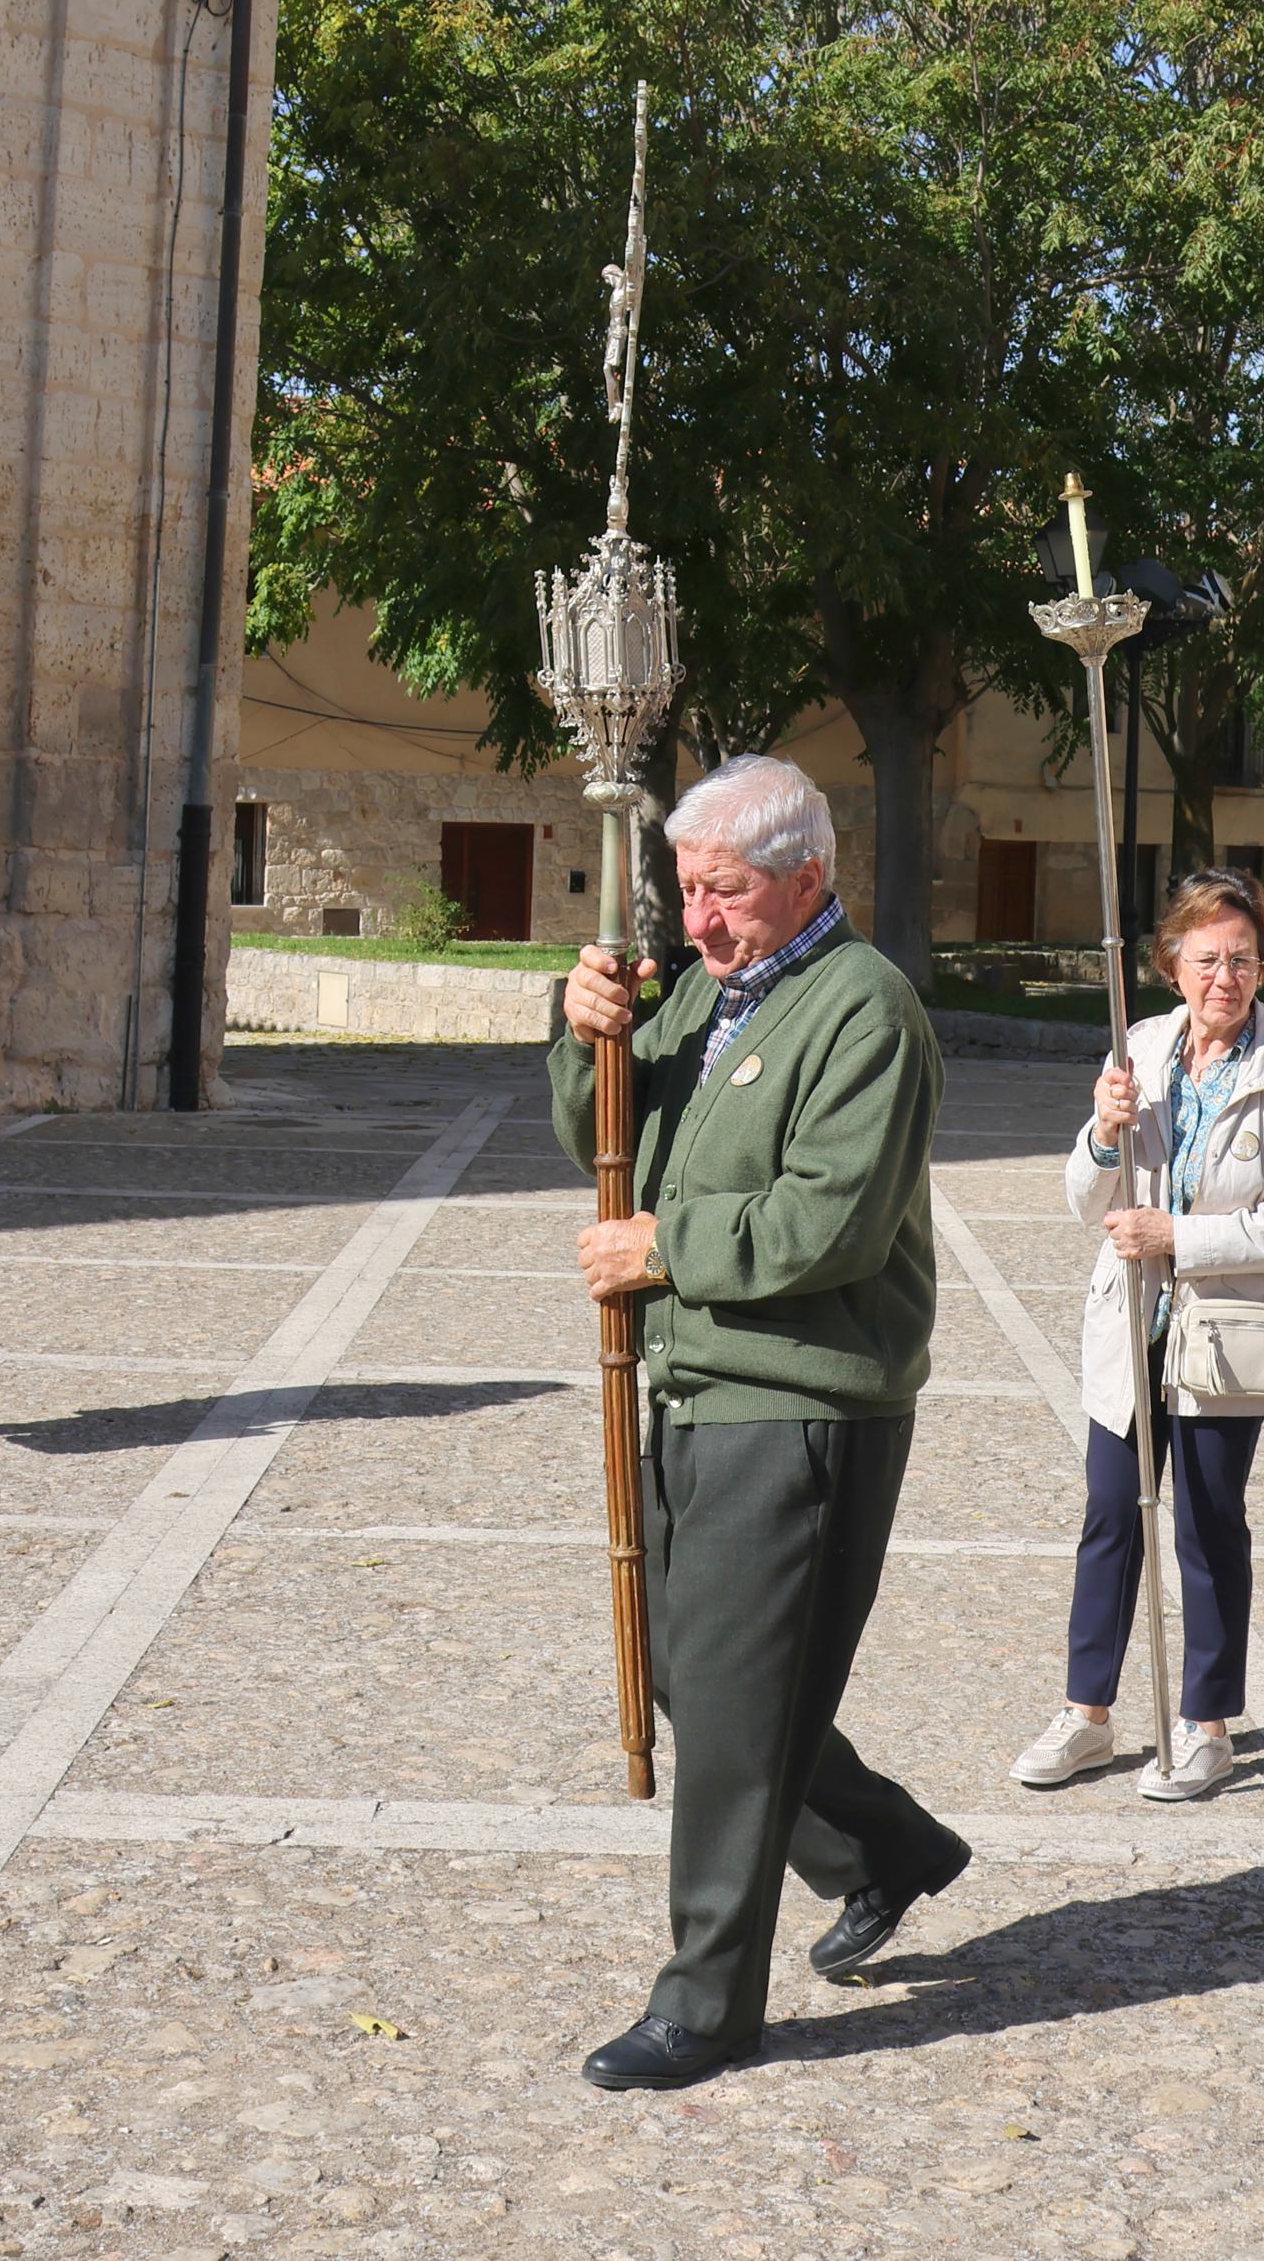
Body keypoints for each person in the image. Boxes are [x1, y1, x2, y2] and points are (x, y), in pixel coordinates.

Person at [550, 754, 971, 2093]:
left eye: (722, 889)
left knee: (730, 1713)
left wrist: (660, 1248)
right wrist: (587, 1032)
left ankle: (708, 1998)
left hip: (799, 1398)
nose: (694, 916)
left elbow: (824, 1223)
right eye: (685, 886)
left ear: (807, 875)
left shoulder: (864, 1008)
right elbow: (598, 1140)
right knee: (696, 1677)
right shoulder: (706, 997)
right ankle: (879, 1845)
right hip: (693, 1382)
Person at [1014, 868, 1264, 1804]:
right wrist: (1104, 1137)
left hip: (1224, 1332)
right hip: (1131, 1322)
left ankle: (1205, 1725)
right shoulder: (1138, 1049)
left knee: (1205, 1522)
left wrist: (1178, 1238)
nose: (1223, 977)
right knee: (1110, 1514)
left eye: (1240, 959)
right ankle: (1086, 1716)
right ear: (1172, 964)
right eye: (1205, 959)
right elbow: (1086, 1201)